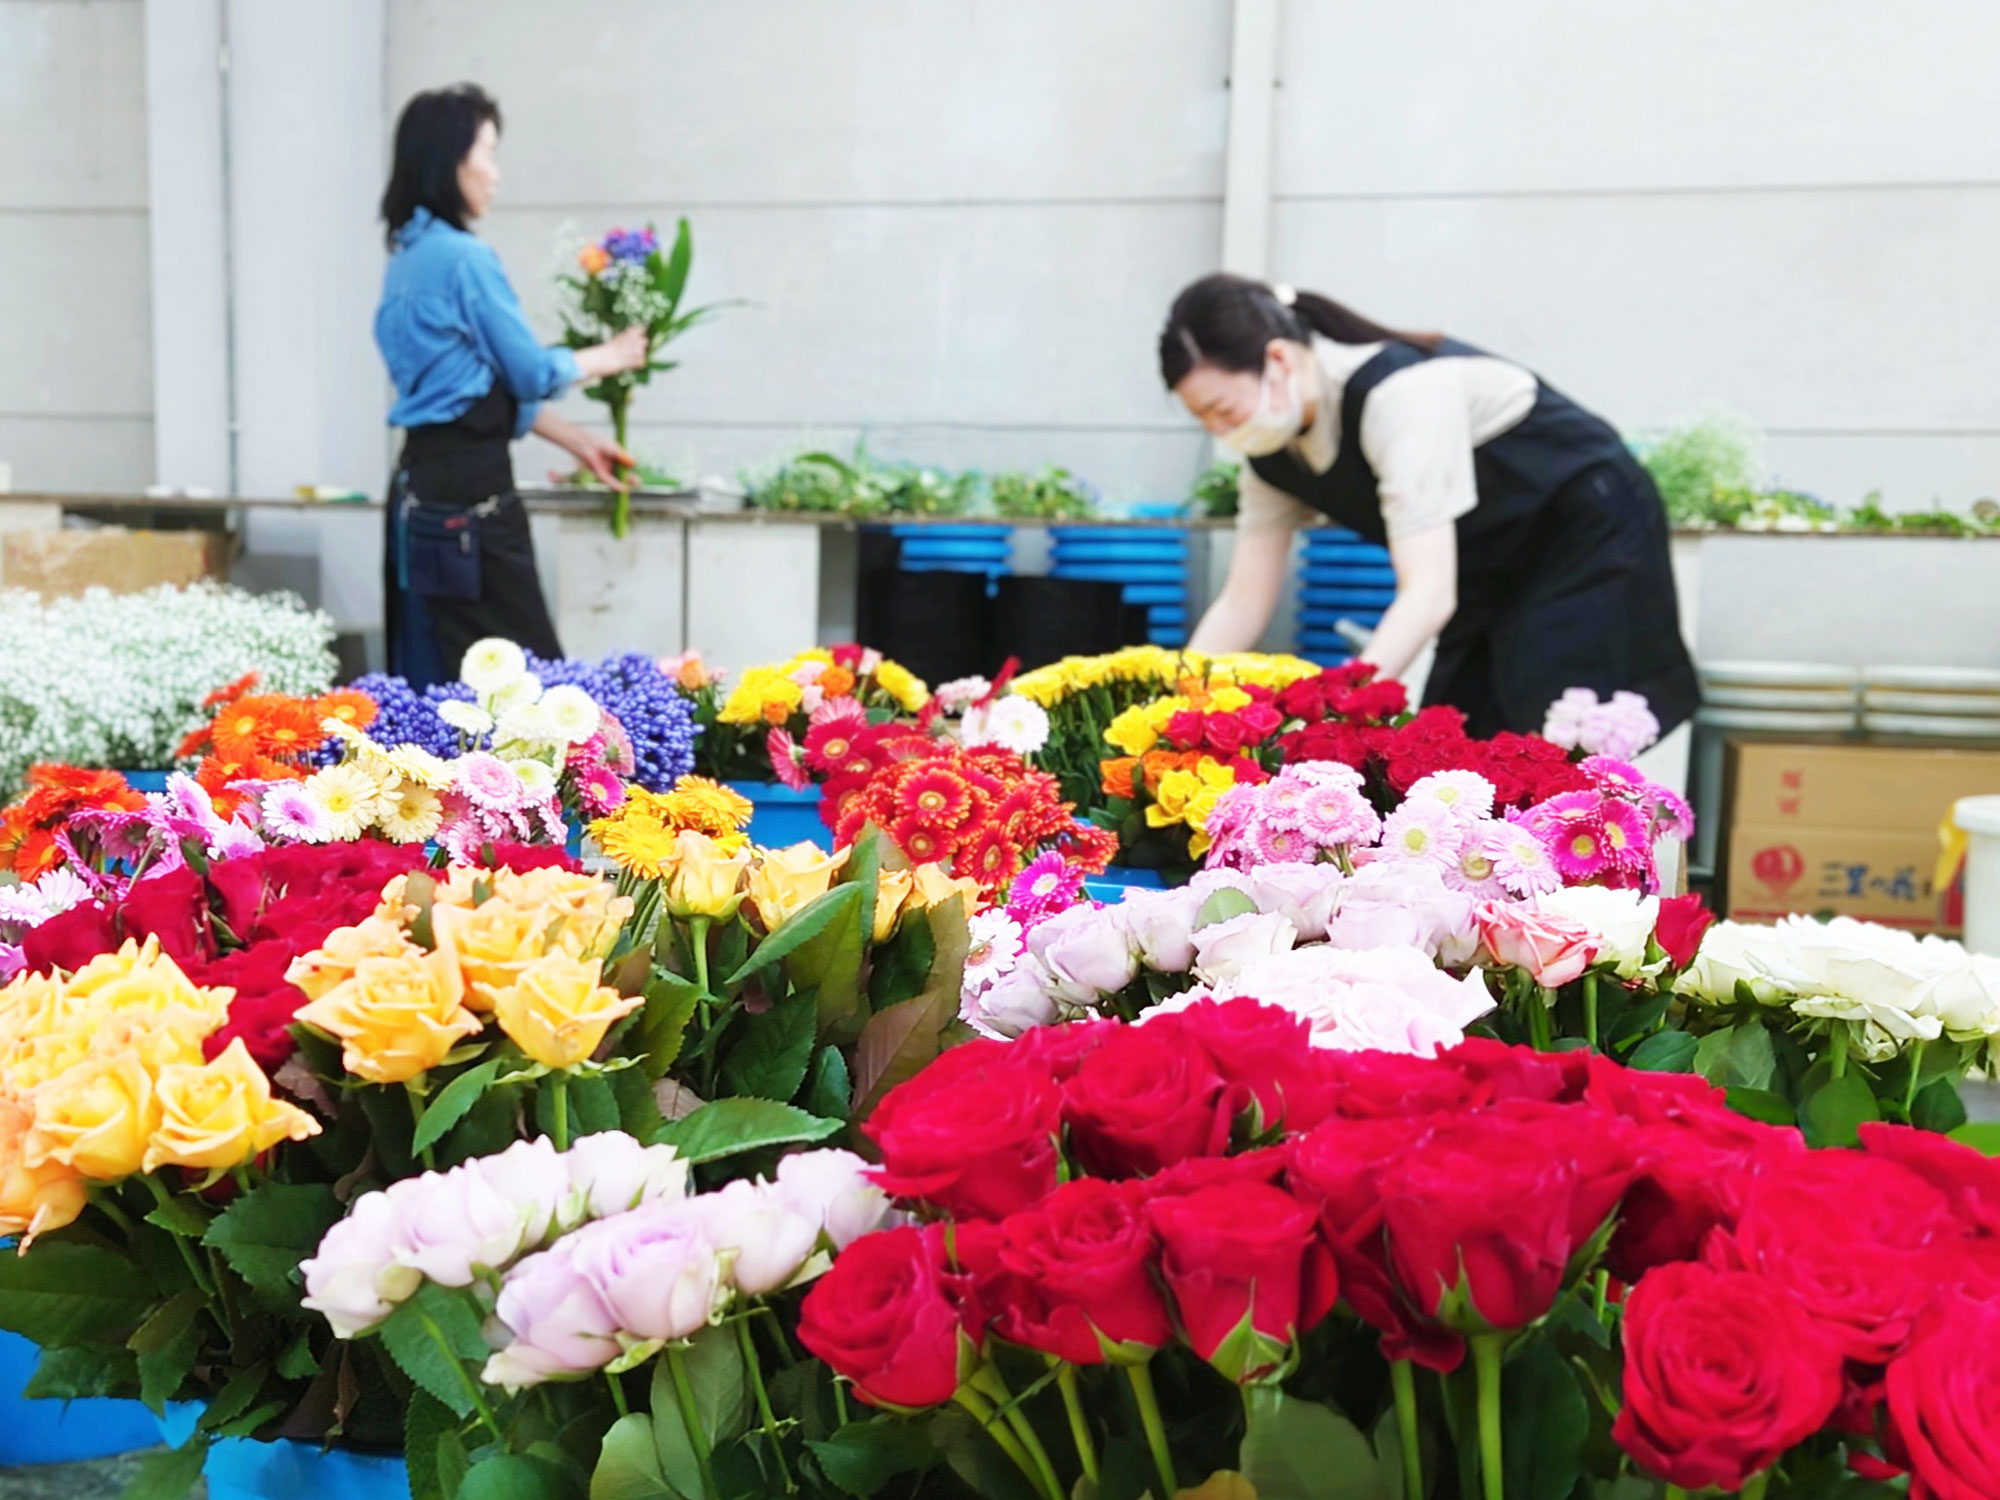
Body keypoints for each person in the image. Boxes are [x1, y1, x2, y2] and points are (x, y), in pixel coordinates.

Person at [1164, 273, 1698, 740]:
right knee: (1456, 735)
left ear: (1277, 359)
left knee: (1556, 726)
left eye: (1223, 409)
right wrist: (1174, 702)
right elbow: (1242, 601)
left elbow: (1427, 593)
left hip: (1584, 527)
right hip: (1486, 564)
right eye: (1203, 418)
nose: (1221, 431)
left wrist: (1334, 710)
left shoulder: (1396, 394)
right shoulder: (1273, 455)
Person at [375, 83, 648, 690]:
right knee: (533, 693)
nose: (496, 174)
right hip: (471, 506)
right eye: (489, 153)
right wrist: (612, 354)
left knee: (442, 688)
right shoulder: (463, 258)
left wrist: (578, 441)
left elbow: (468, 395)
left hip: (422, 495)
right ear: (451, 161)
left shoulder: (407, 259)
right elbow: (527, 372)